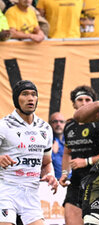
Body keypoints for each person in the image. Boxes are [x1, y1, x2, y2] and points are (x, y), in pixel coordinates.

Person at [0, 80, 58, 225]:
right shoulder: (4, 125)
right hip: (5, 190)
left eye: (34, 94)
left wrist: (50, 175)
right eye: (25, 94)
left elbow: (46, 163)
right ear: (16, 99)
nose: (30, 98)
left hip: (30, 194)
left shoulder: (45, 128)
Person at [59, 86, 99, 225]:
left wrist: (87, 161)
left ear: (93, 104)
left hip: (98, 182)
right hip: (76, 183)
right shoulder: (69, 126)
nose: (84, 103)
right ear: (73, 104)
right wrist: (65, 173)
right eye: (80, 99)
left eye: (87, 100)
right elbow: (67, 152)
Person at [49, 112, 66, 179]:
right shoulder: (47, 141)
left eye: (61, 122)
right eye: (55, 121)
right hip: (51, 182)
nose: (58, 124)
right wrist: (52, 153)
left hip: (68, 180)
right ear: (50, 123)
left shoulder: (69, 140)